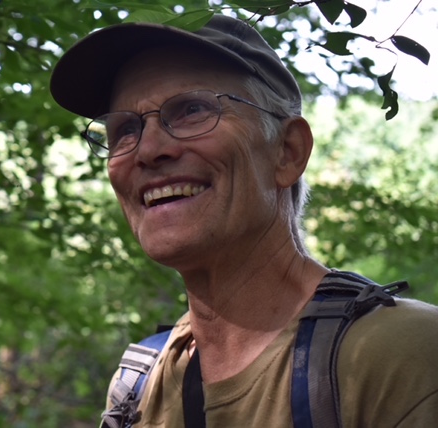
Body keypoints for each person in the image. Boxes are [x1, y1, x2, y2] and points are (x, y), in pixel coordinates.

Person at [50, 14, 438, 428]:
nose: (147, 150)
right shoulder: (138, 387)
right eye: (125, 128)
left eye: (192, 110)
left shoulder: (404, 358)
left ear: (287, 152)